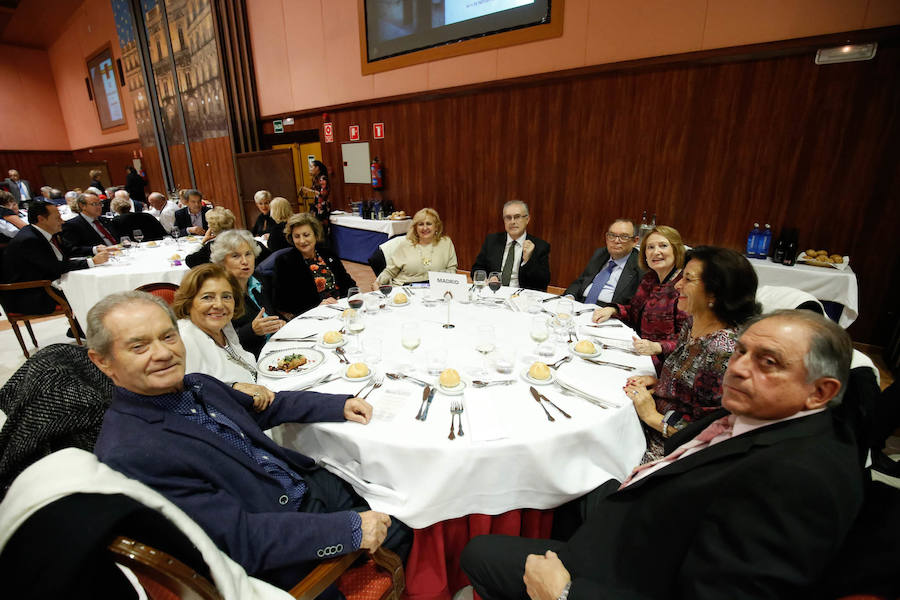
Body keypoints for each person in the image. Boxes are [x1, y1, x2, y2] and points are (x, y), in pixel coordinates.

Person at [461, 310, 865, 599]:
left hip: (628, 572)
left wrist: (565, 592)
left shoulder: (799, 480)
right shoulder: (766, 412)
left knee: (479, 552)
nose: (738, 369)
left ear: (821, 392)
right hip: (649, 518)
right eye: (741, 352)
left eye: (768, 362)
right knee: (574, 480)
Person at [87, 291, 411, 591]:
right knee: (405, 525)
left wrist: (337, 404)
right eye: (139, 346)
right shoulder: (132, 451)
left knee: (405, 491)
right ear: (102, 361)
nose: (163, 353)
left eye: (168, 336)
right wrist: (350, 530)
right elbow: (241, 540)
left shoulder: (198, 384)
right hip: (282, 538)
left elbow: (267, 408)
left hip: (304, 484)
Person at [624, 246, 760, 460]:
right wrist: (661, 383)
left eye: (688, 279)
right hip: (650, 421)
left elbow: (710, 433)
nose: (677, 285)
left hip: (670, 450)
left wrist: (651, 416)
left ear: (715, 293)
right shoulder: (693, 322)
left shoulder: (723, 351)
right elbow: (689, 383)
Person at [592, 225, 688, 360]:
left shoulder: (683, 286)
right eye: (650, 247)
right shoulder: (650, 279)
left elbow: (690, 338)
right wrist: (613, 310)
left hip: (662, 362)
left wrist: (658, 347)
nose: (656, 252)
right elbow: (634, 311)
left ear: (676, 249)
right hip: (636, 348)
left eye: (663, 246)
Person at [1, 200, 109, 315]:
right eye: (57, 218)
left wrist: (95, 250)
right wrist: (91, 261)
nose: (62, 221)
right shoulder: (29, 239)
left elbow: (68, 251)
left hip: (45, 284)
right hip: (28, 295)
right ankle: (81, 329)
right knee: (92, 291)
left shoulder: (45, 232)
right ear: (41, 219)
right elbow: (54, 267)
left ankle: (79, 329)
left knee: (91, 286)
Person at [211, 229, 285, 357]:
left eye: (248, 254)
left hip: (277, 345)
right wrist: (252, 331)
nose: (245, 261)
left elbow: (273, 311)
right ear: (222, 261)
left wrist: (281, 322)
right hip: (248, 358)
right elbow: (220, 342)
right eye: (236, 256)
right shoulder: (219, 294)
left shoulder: (260, 279)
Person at [270, 213, 356, 320]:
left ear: (315, 234)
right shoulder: (285, 262)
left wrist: (340, 302)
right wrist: (317, 306)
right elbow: (282, 302)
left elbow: (349, 284)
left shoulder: (328, 254)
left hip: (340, 310)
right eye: (297, 236)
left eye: (306, 235)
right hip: (310, 316)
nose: (302, 241)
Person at [472, 200, 550, 291]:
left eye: (517, 217)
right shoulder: (492, 241)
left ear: (527, 219)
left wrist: (528, 260)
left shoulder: (540, 246)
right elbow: (477, 268)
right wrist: (488, 279)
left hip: (522, 297)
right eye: (508, 218)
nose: (512, 222)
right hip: (494, 292)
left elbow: (543, 282)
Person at [564, 218, 642, 305]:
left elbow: (635, 305)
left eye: (624, 237)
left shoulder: (640, 265)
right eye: (612, 235)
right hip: (581, 305)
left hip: (609, 311)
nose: (616, 241)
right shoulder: (600, 254)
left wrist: (614, 310)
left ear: (635, 241)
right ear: (606, 238)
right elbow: (581, 281)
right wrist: (570, 297)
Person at [376, 207, 457, 285]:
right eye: (421, 224)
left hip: (435, 289)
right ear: (415, 228)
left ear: (436, 227)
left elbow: (452, 269)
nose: (425, 228)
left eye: (429, 224)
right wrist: (378, 282)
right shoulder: (405, 245)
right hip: (406, 289)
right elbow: (390, 271)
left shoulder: (446, 243)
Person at [300, 160, 330, 237]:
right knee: (313, 226)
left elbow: (323, 194)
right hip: (316, 205)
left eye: (311, 167)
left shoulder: (323, 178)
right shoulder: (315, 179)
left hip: (322, 207)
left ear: (317, 168)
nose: (310, 169)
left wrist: (309, 190)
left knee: (321, 228)